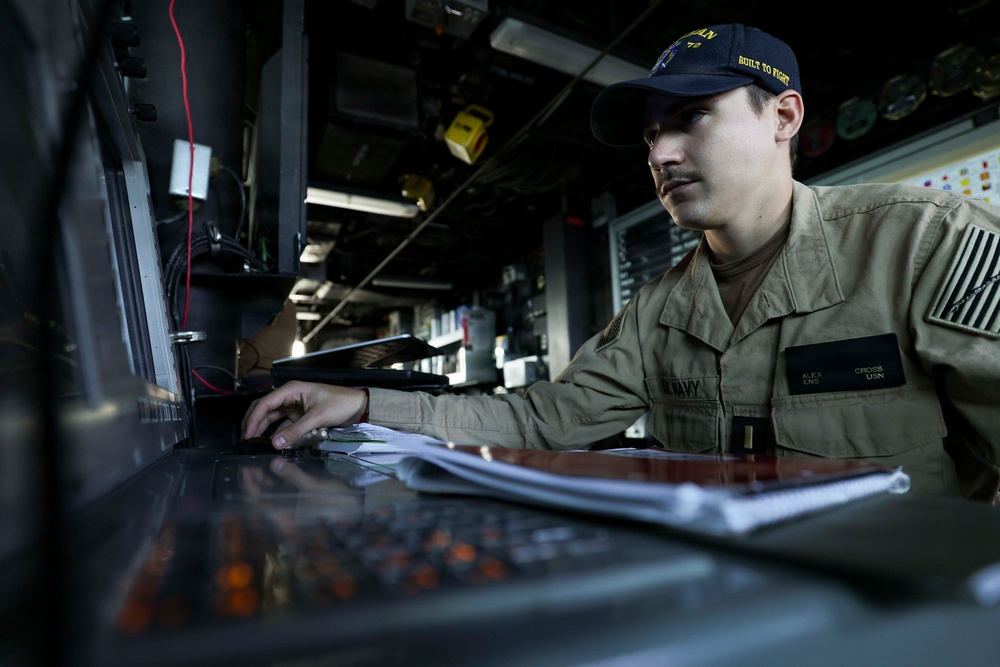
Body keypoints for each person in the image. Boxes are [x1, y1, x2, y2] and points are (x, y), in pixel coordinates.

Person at [243, 24, 1000, 502]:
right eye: (650, 137)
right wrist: (368, 403)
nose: (662, 153)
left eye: (692, 118)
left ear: (785, 116)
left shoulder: (922, 242)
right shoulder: (659, 311)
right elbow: (544, 420)